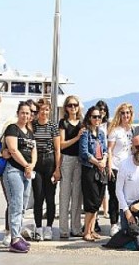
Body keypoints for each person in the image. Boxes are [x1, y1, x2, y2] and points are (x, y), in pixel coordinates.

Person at [3, 101, 37, 253]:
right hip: (14, 171)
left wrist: (31, 166)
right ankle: (14, 238)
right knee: (16, 204)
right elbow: (12, 149)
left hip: (26, 172)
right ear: (18, 113)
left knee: (23, 205)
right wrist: (26, 165)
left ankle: (17, 234)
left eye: (28, 113)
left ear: (31, 116)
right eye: (22, 112)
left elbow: (34, 150)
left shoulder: (29, 132)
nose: (25, 115)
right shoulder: (13, 128)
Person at [31, 98, 61, 241]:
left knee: (50, 197)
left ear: (50, 111)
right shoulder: (33, 125)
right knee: (38, 196)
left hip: (50, 161)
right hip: (36, 163)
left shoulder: (53, 126)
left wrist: (57, 169)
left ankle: (49, 227)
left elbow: (57, 149)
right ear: (38, 111)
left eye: (46, 109)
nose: (44, 112)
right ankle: (38, 228)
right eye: (42, 109)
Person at [79, 106, 108, 242]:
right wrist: (98, 163)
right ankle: (86, 231)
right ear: (89, 118)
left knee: (98, 200)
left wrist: (104, 161)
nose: (97, 119)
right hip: (90, 168)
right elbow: (84, 153)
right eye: (94, 116)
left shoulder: (101, 133)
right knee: (91, 201)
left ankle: (92, 229)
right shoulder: (85, 133)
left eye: (99, 117)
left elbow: (106, 149)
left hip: (100, 169)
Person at [58, 95, 85, 239]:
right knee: (65, 194)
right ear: (66, 108)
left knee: (77, 196)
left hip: (79, 160)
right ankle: (63, 229)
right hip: (67, 159)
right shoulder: (63, 123)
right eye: (70, 105)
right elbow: (61, 144)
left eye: (75, 105)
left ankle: (76, 227)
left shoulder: (82, 123)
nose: (73, 107)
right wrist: (76, 138)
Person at [107, 103, 135, 236]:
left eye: (127, 113)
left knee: (126, 197)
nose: (125, 115)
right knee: (114, 196)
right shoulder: (115, 130)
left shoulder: (132, 130)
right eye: (123, 113)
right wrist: (109, 167)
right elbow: (110, 150)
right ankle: (113, 223)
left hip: (128, 168)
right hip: (116, 167)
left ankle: (126, 222)